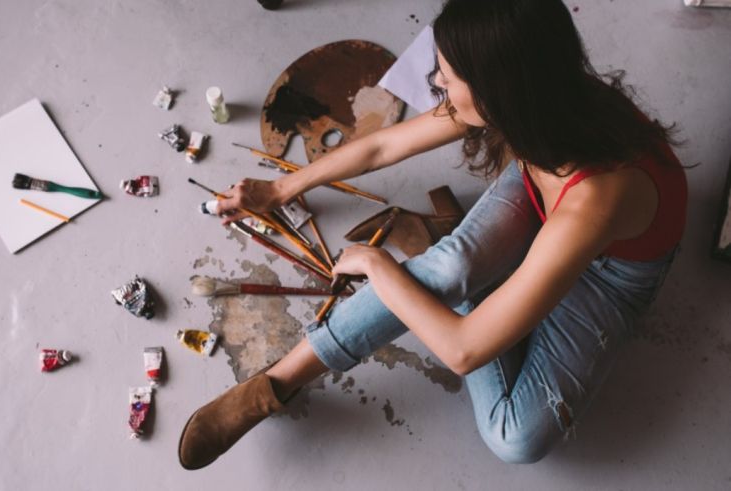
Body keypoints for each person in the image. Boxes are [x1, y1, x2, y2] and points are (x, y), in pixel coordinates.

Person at [178, 0, 687, 469]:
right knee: (448, 271)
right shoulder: (535, 103)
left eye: (447, 74)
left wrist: (381, 265)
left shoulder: (595, 200)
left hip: (607, 273)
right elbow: (382, 148)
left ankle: (459, 274)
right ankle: (273, 384)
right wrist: (281, 187)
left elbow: (463, 351)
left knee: (516, 437)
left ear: (497, 90)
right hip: (544, 189)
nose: (434, 79)